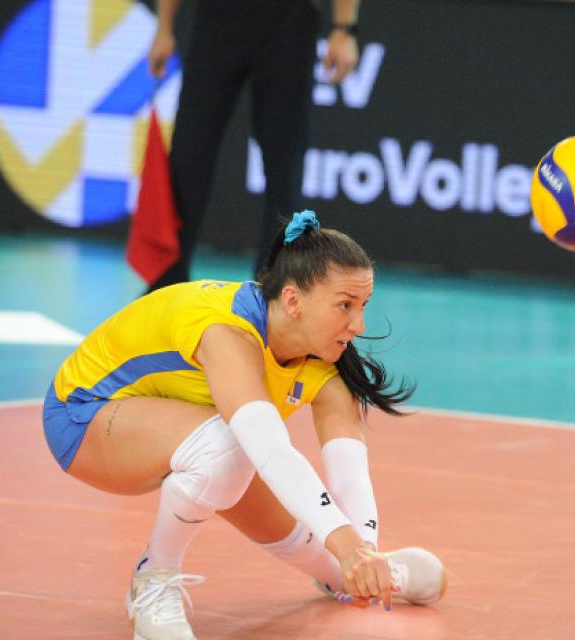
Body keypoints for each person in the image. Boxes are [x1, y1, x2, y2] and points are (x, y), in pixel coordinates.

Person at [43, 211, 447, 640]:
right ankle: (153, 578)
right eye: (345, 305)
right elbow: (271, 452)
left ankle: (339, 578)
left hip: (188, 427)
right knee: (230, 448)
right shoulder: (227, 332)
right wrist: (346, 544)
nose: (358, 325)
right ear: (293, 301)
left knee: (368, 561)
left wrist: (363, 554)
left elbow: (350, 474)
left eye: (363, 305)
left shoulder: (327, 364)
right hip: (86, 417)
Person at [145, 0, 361, 292]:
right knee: (188, 155)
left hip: (289, 22)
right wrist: (164, 27)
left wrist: (344, 28)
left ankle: (274, 288)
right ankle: (166, 282)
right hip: (216, 19)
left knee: (284, 166)